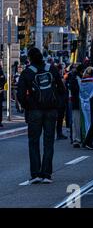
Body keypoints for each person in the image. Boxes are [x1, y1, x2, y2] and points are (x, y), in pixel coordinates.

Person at [17, 47, 65, 184]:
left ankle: (35, 173)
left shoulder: (27, 72)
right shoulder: (52, 69)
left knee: (33, 142)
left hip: (35, 111)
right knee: (49, 142)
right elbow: (62, 89)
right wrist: (57, 105)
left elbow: (20, 94)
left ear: (30, 58)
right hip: (51, 111)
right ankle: (47, 174)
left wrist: (28, 106)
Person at [69, 64, 84, 148]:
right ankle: (76, 139)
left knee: (81, 122)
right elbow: (73, 89)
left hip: (84, 103)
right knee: (76, 121)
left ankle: (82, 138)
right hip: (76, 102)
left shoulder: (84, 78)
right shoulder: (74, 78)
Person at [55, 63, 68, 140]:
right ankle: (59, 133)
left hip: (60, 100)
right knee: (59, 118)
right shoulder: (58, 78)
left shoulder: (60, 77)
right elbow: (61, 89)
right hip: (59, 100)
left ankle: (59, 133)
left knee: (60, 118)